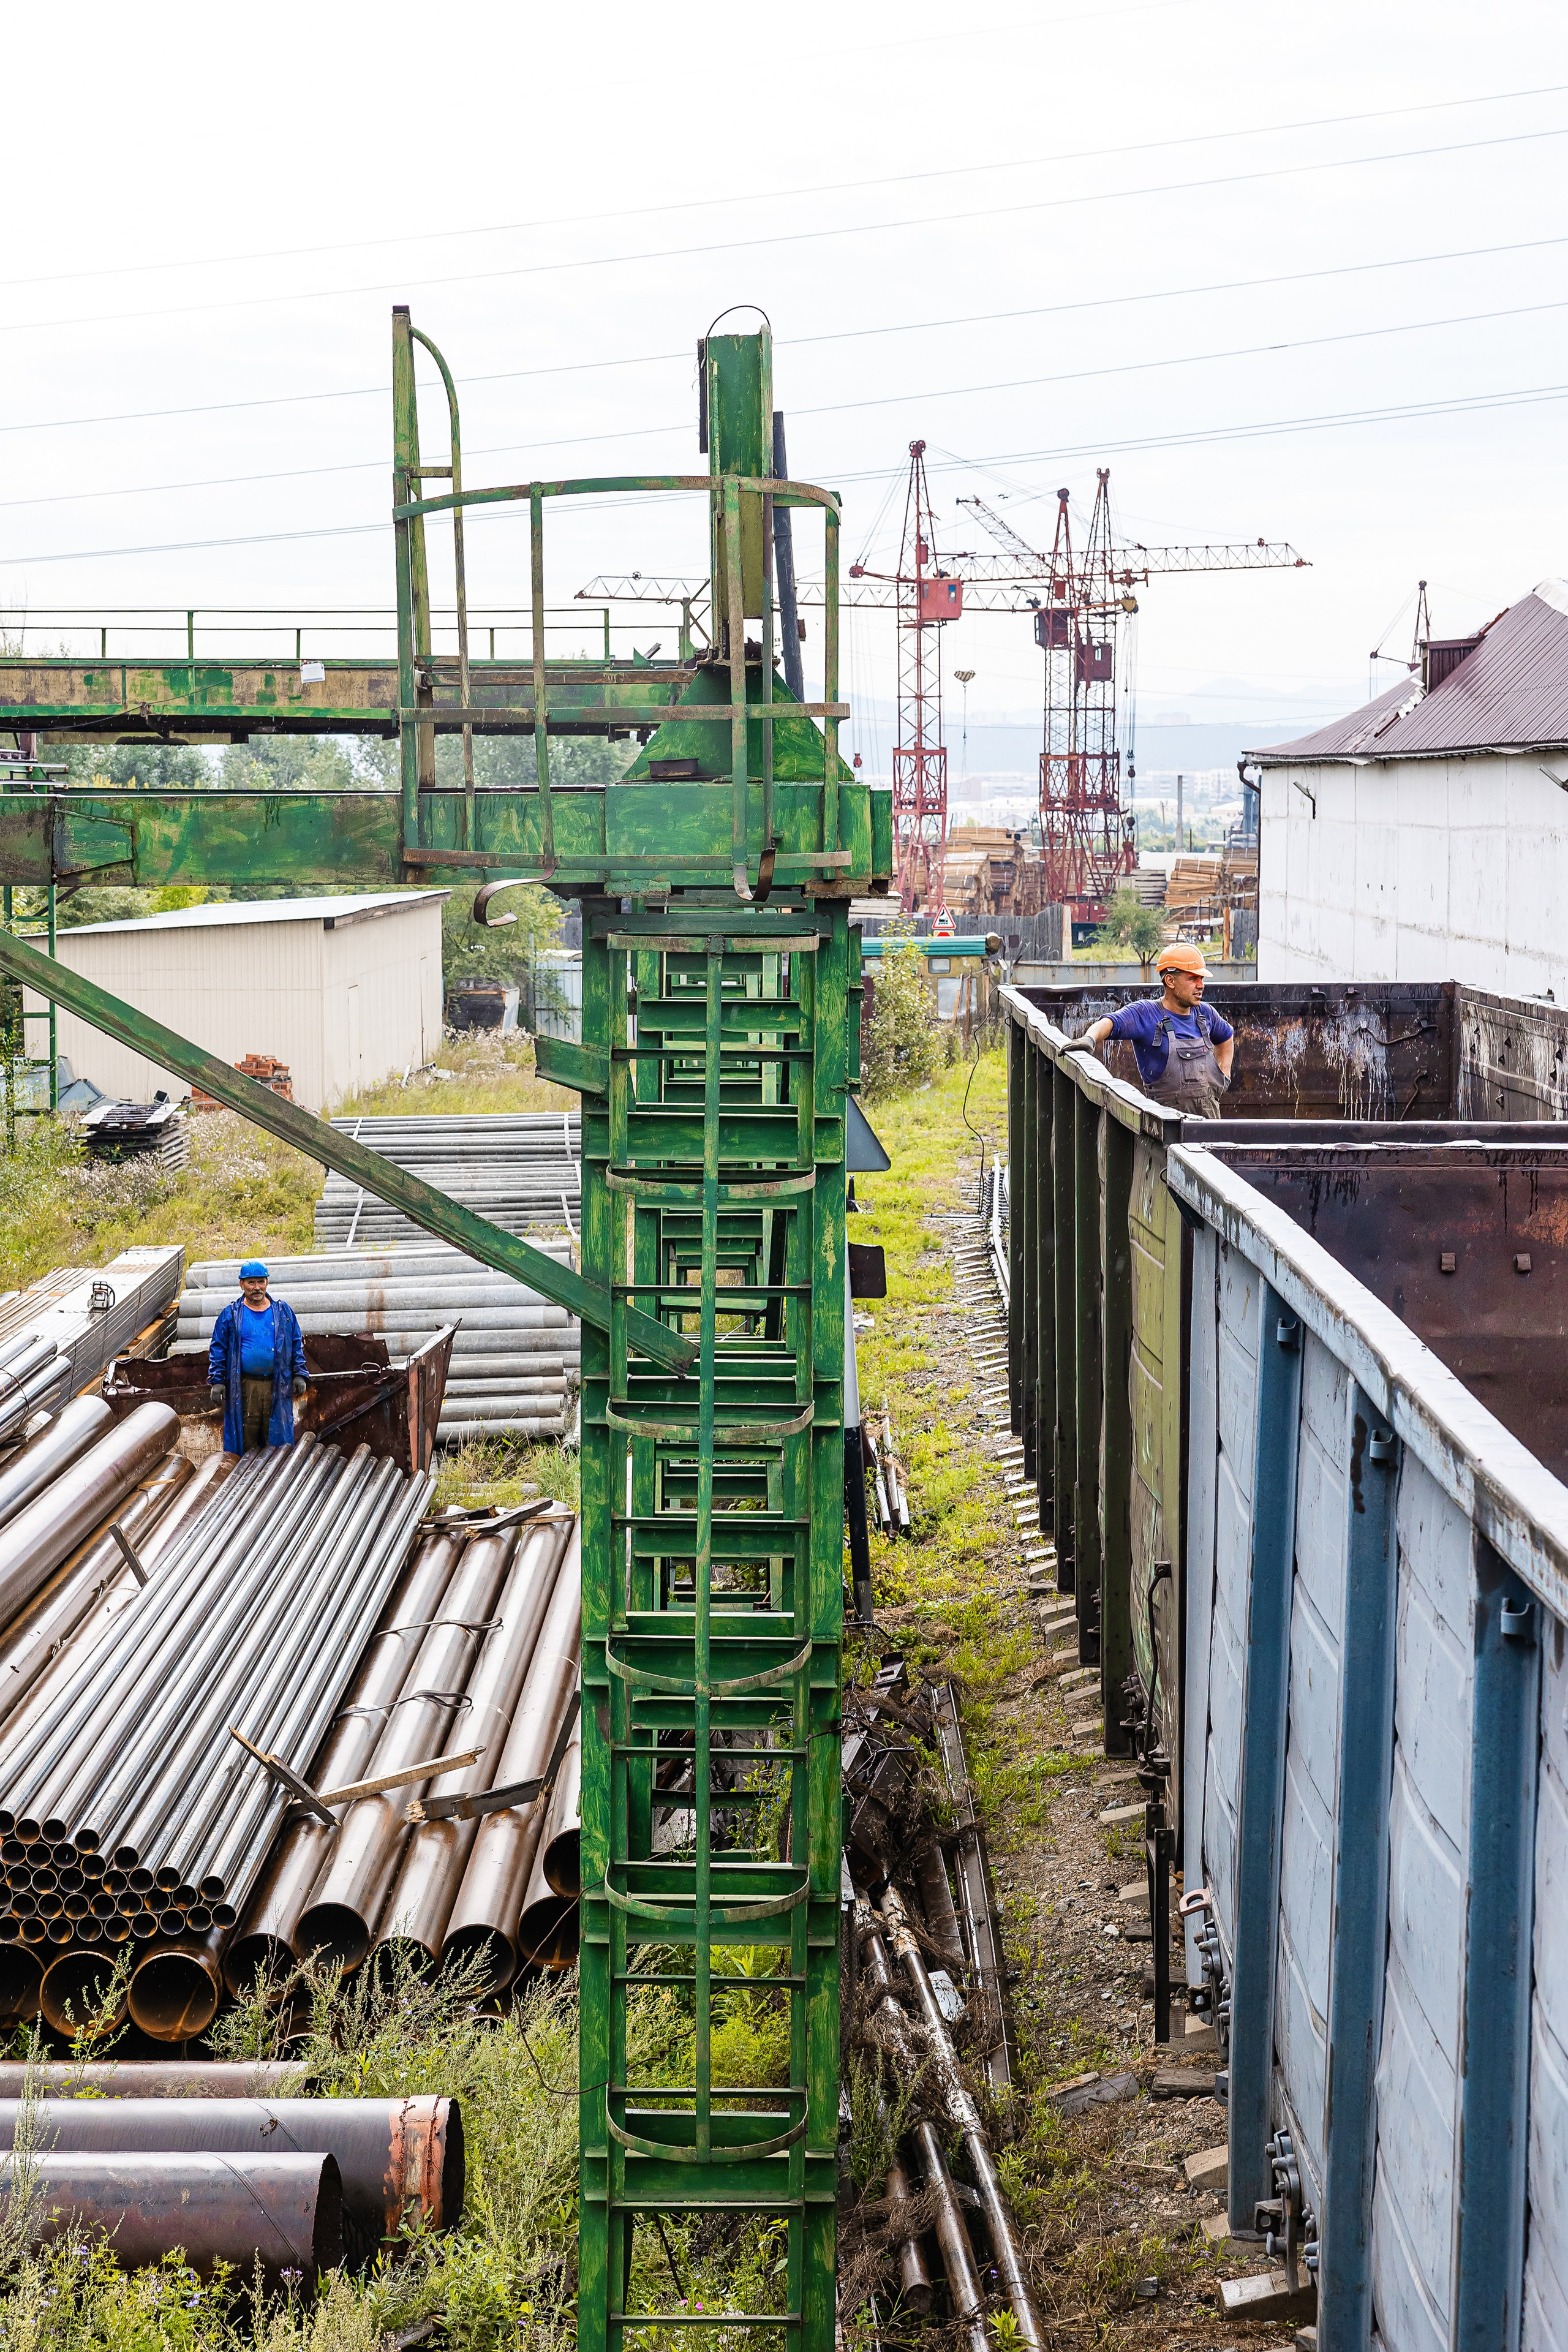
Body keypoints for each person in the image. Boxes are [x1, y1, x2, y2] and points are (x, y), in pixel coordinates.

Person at [1065, 941, 1235, 1117]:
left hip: (1209, 1126)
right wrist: (1090, 1038)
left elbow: (1226, 1037)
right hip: (1166, 1127)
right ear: (1170, 981)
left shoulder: (1205, 1013)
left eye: (1202, 979)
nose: (1201, 986)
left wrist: (1223, 1076)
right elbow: (1110, 1023)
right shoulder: (1146, 1013)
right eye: (1193, 979)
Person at [207, 1260, 309, 1457]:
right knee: (246, 1439)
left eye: (261, 1282)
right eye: (251, 1283)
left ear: (267, 1282)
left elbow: (296, 1343)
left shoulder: (283, 1312)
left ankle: (277, 1473)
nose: (256, 1288)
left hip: (277, 1385)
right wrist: (217, 1381)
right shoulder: (231, 1315)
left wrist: (300, 1374)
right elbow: (218, 1349)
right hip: (245, 1388)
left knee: (278, 1442)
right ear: (242, 1284)